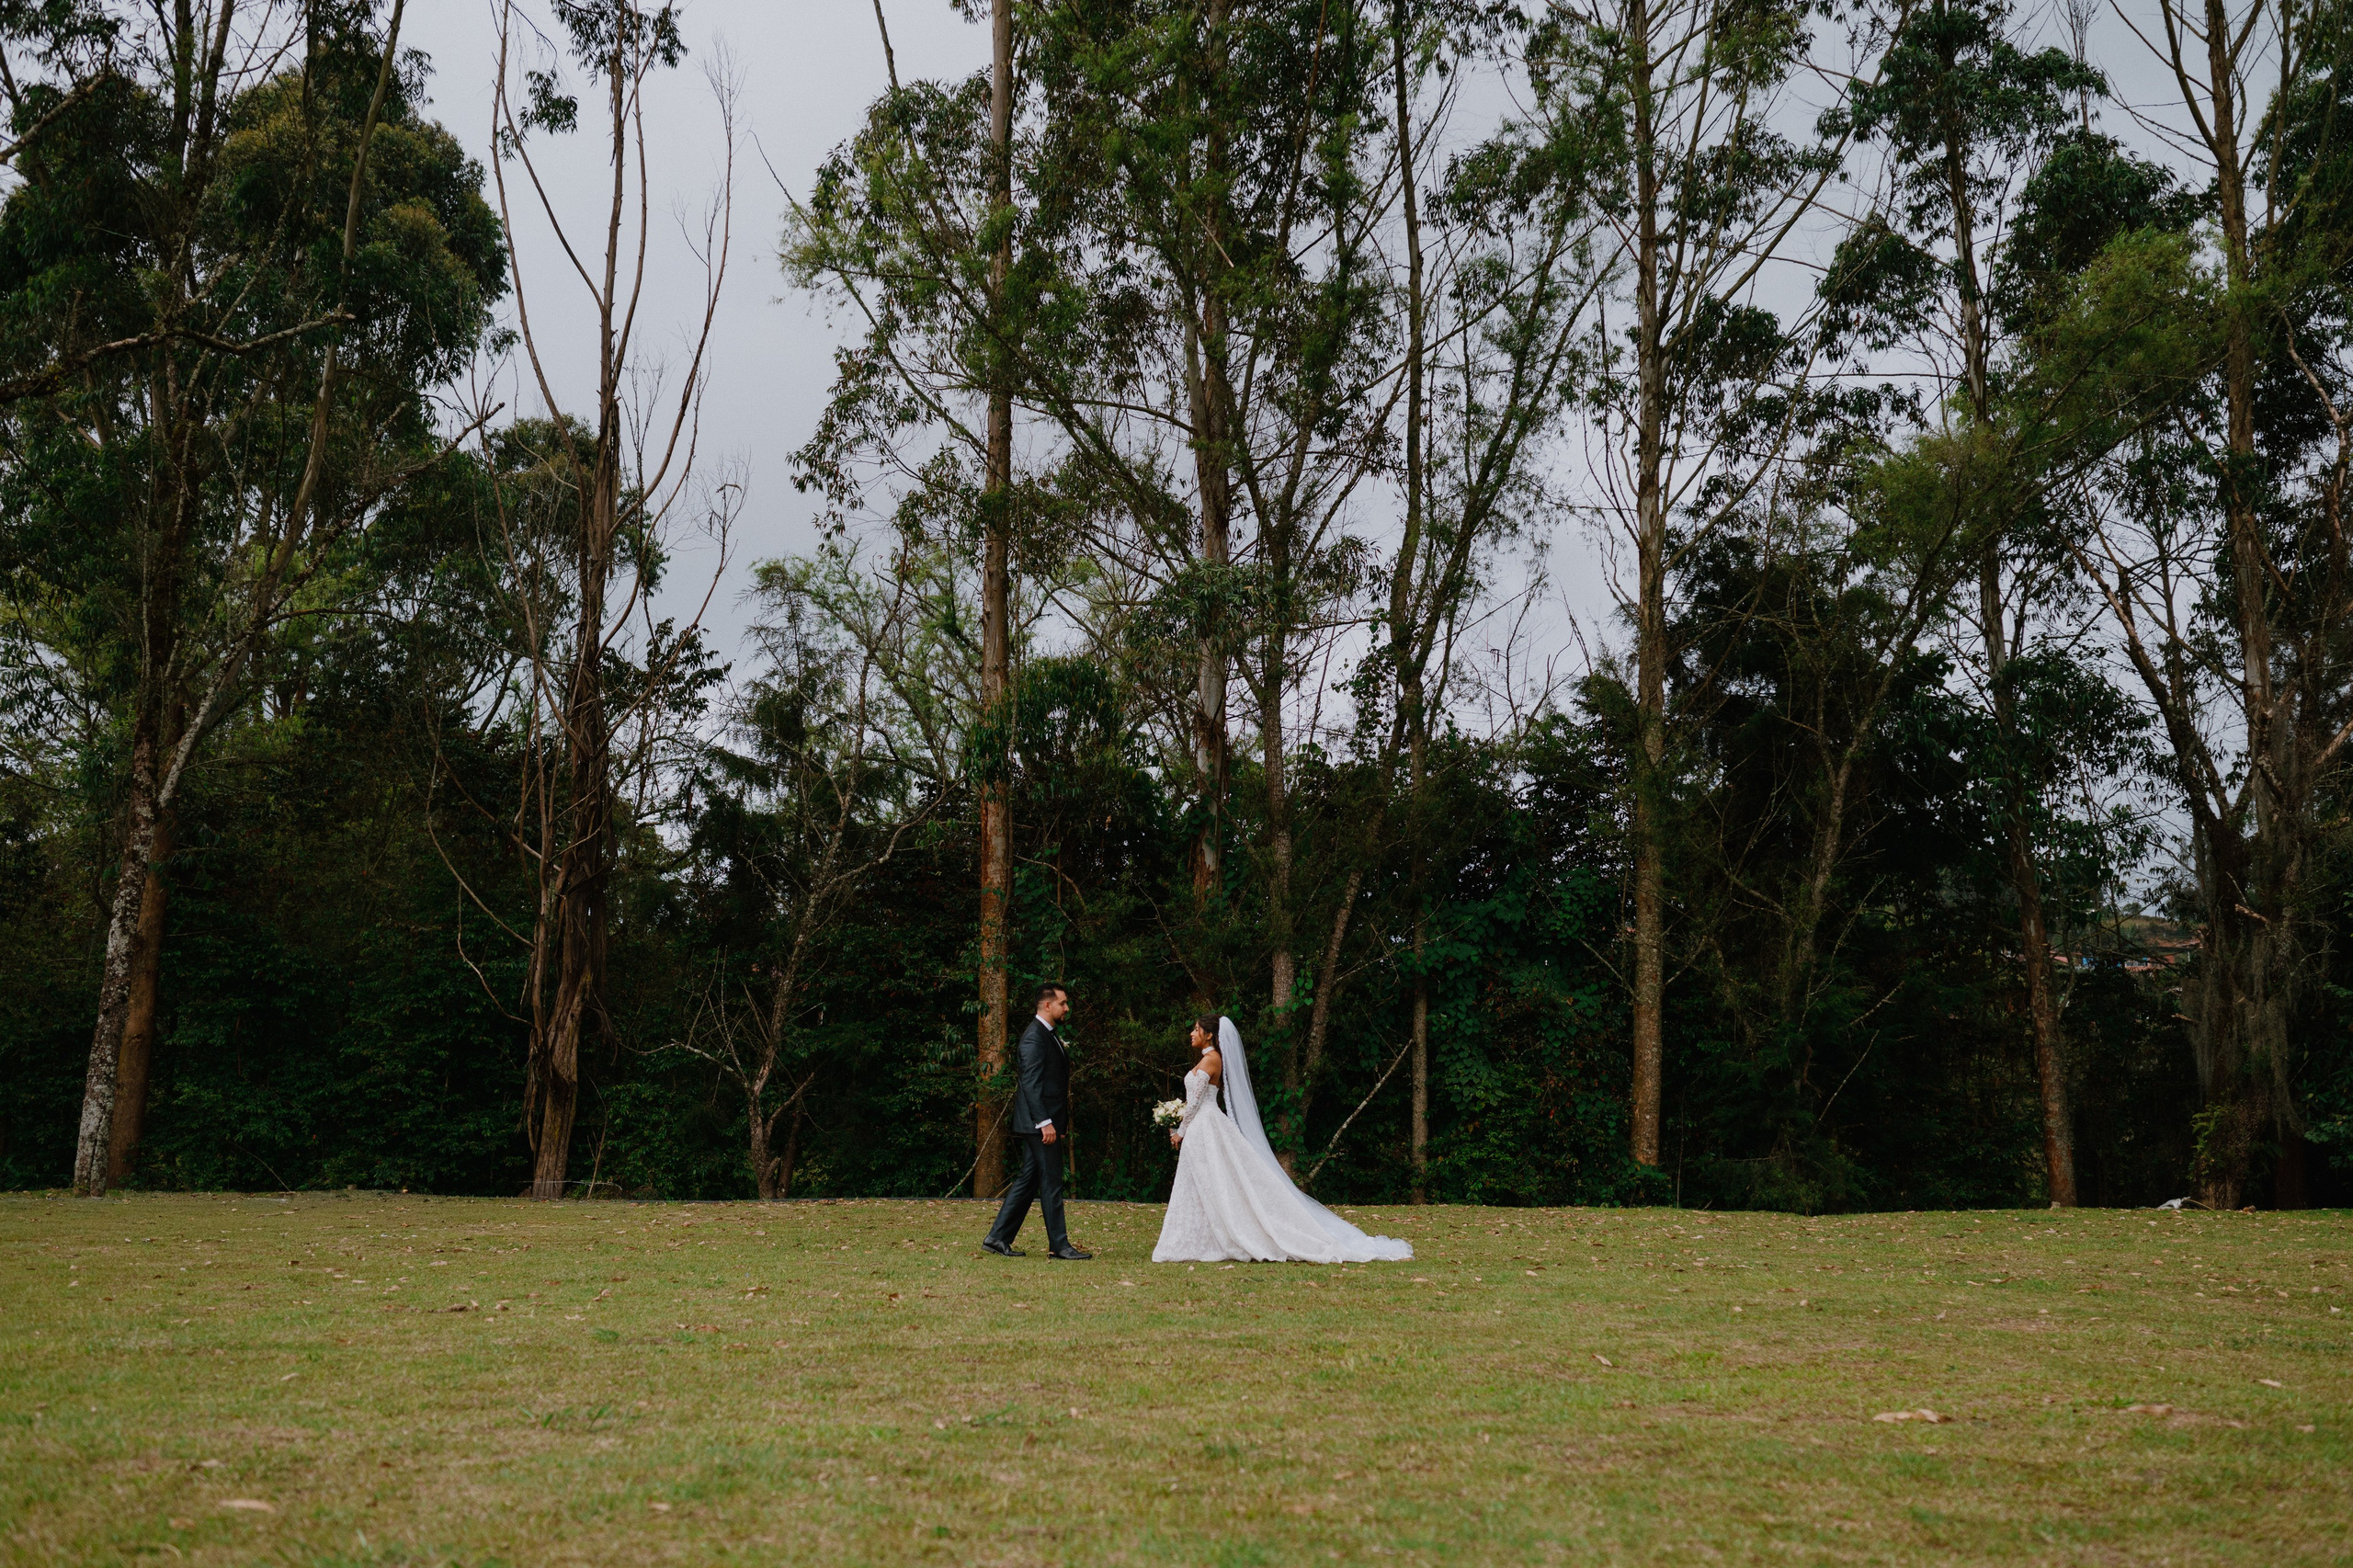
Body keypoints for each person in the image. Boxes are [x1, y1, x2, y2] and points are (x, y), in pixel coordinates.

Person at [1152, 1015, 1413, 1264]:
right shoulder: (1207, 1059)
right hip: (1202, 1126)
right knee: (1202, 1183)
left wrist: (1180, 1131)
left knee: (1216, 1181)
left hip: (1205, 1125)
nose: (1192, 1033)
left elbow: (1196, 1102)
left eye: (1196, 1029)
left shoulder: (1212, 1060)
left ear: (1209, 1035)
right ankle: (1201, 1238)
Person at [982, 983, 1093, 1259]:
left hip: (1044, 1120)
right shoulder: (1034, 1038)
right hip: (1038, 1122)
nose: (1067, 1008)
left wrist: (1059, 1122)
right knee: (1051, 1181)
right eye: (1063, 1003)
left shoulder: (1048, 1035)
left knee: (1029, 1180)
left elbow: (1053, 1083)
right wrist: (1045, 1122)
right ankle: (1059, 1245)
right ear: (1047, 1005)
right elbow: (1030, 1084)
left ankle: (997, 1238)